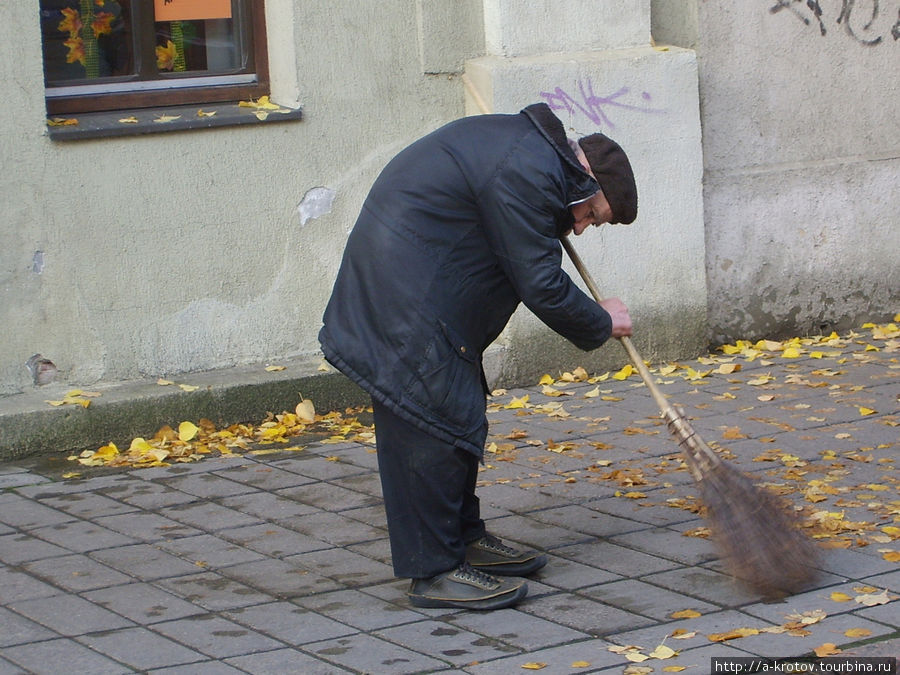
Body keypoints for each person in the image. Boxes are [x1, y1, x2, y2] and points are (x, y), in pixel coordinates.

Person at [319, 102, 637, 611]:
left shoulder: (532, 161)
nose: (581, 228)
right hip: (403, 297)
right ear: (587, 178)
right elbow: (542, 284)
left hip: (418, 286)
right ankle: (436, 571)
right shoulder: (529, 171)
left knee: (459, 409)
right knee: (429, 416)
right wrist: (603, 321)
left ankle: (464, 538)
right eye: (592, 215)